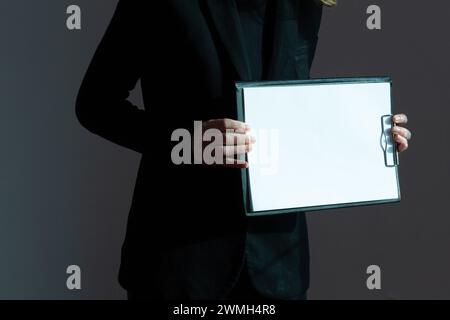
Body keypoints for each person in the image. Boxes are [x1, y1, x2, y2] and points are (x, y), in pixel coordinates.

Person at [75, 0, 412, 300]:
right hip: (178, 259)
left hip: (279, 267)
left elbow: (296, 116)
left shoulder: (308, 4)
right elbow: (95, 104)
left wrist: (370, 139)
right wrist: (188, 141)